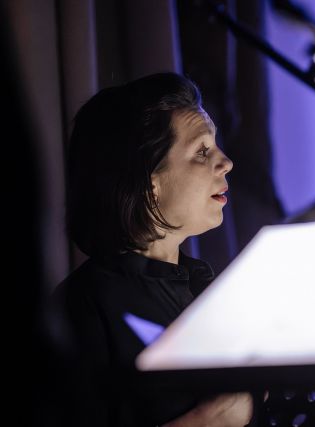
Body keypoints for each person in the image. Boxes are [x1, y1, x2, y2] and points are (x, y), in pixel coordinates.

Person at [52, 72, 255, 426]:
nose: (226, 162)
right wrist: (207, 420)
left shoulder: (205, 289)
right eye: (202, 151)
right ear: (149, 184)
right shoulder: (80, 309)